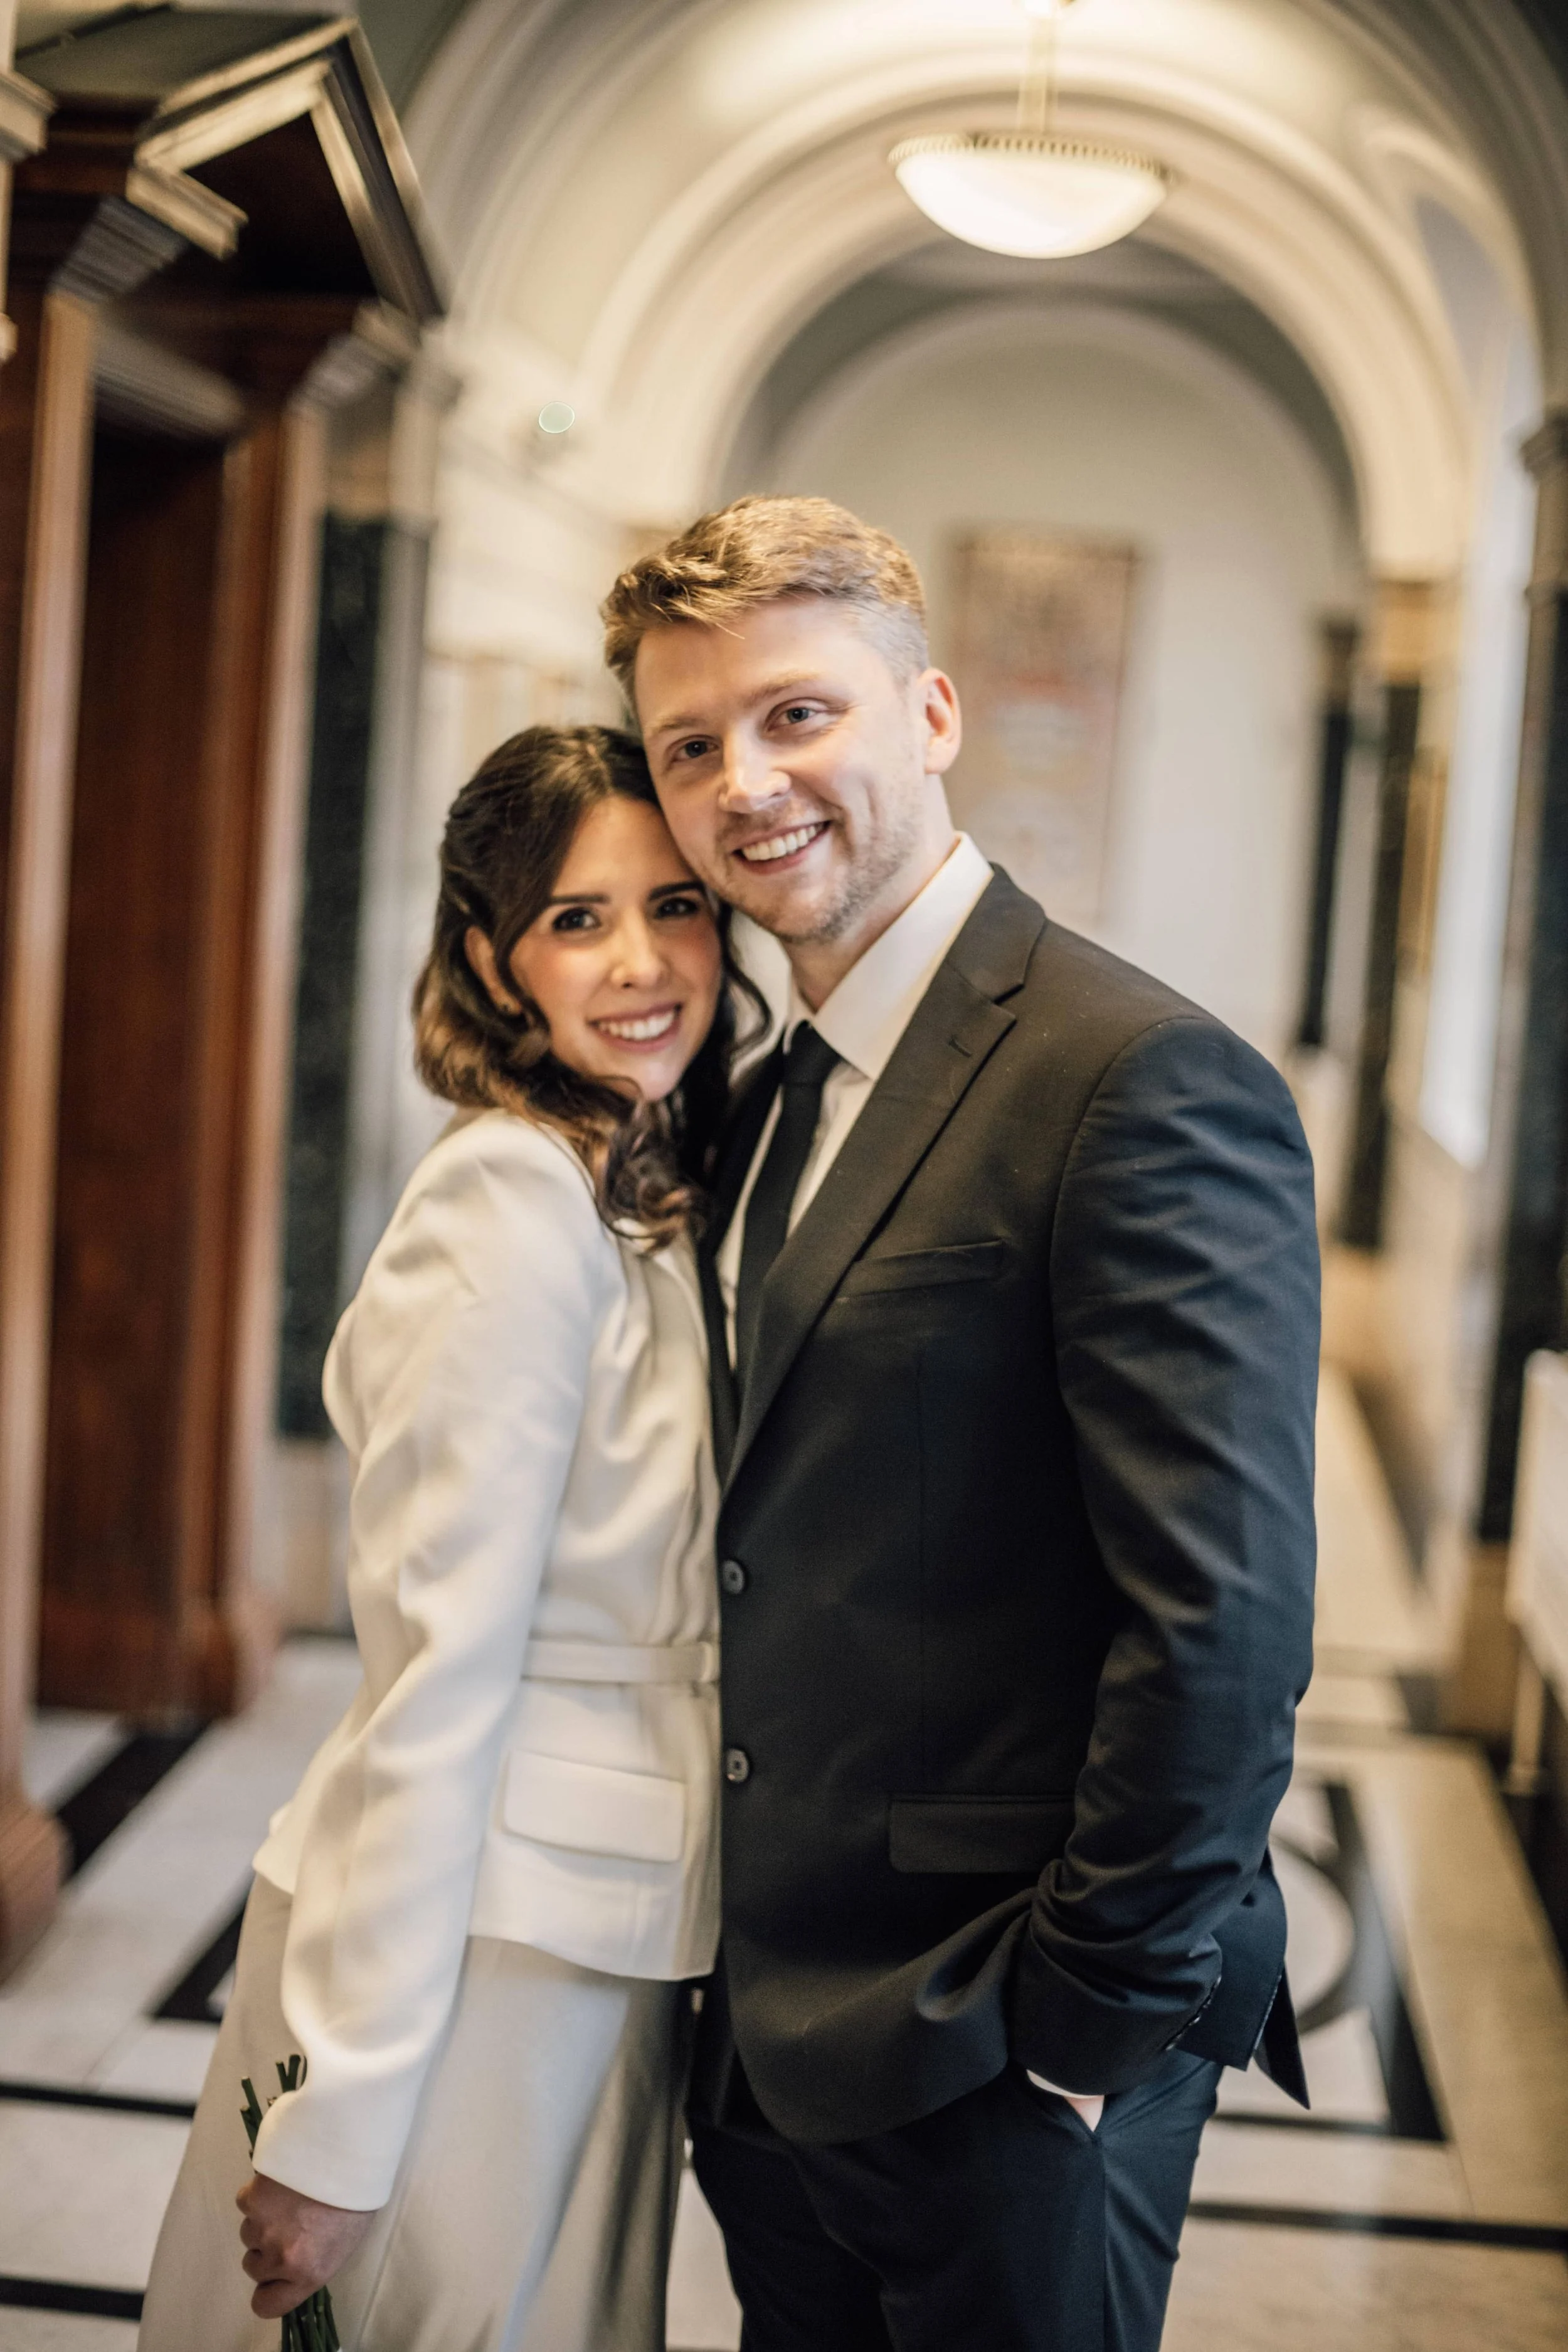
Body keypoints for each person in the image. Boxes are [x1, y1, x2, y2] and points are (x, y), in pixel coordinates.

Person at [601, 496, 1320, 2352]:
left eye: (794, 714)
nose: (745, 782)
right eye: (692, 746)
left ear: (929, 715)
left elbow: (1221, 1622)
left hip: (1001, 2034)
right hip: (774, 2037)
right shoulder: (765, 1088)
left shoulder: (1135, 1077)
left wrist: (1078, 2041)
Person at [140, 725, 751, 2352]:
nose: (641, 961)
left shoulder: (638, 1182)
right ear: (492, 963)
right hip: (462, 1950)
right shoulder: (506, 1207)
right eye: (575, 919)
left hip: (584, 1938)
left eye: (676, 904)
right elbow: (436, 1686)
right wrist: (340, 2118)